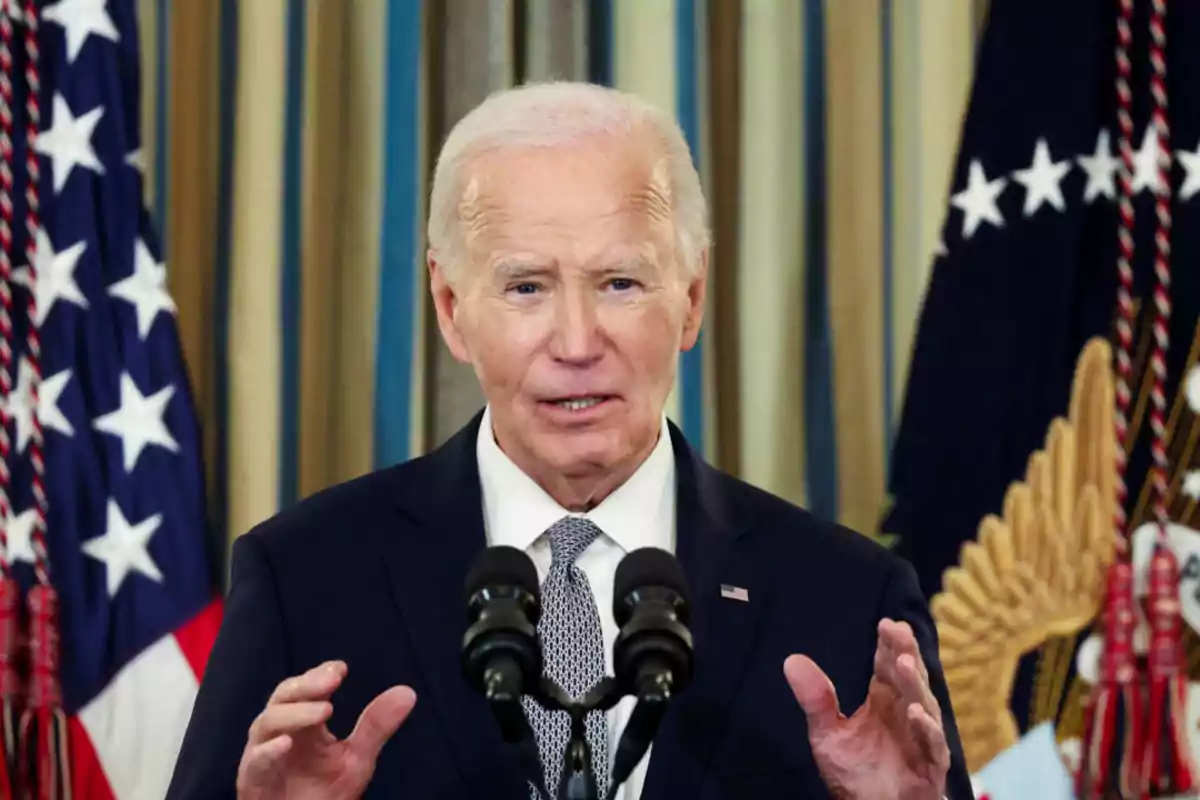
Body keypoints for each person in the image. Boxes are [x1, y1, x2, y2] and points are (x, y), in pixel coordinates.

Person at [166, 81, 974, 800]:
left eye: (619, 282)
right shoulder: (305, 577)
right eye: (526, 287)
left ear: (691, 299)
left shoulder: (846, 601)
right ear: (451, 308)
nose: (577, 340)